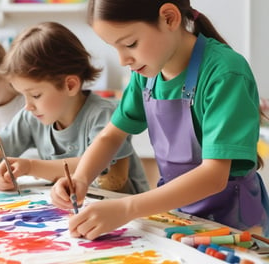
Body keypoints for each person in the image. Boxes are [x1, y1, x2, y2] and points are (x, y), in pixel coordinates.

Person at [50, 0, 269, 240]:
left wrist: (126, 208)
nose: (123, 60)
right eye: (115, 48)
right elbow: (111, 135)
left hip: (236, 226)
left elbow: (213, 176)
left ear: (169, 18)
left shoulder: (225, 73)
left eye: (130, 44)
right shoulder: (147, 74)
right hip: (181, 218)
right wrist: (81, 178)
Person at [0, 22, 149, 195]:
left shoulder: (103, 114)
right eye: (23, 95)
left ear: (70, 85)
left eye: (35, 95)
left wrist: (31, 166)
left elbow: (102, 170)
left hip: (131, 214)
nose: (28, 105)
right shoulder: (31, 116)